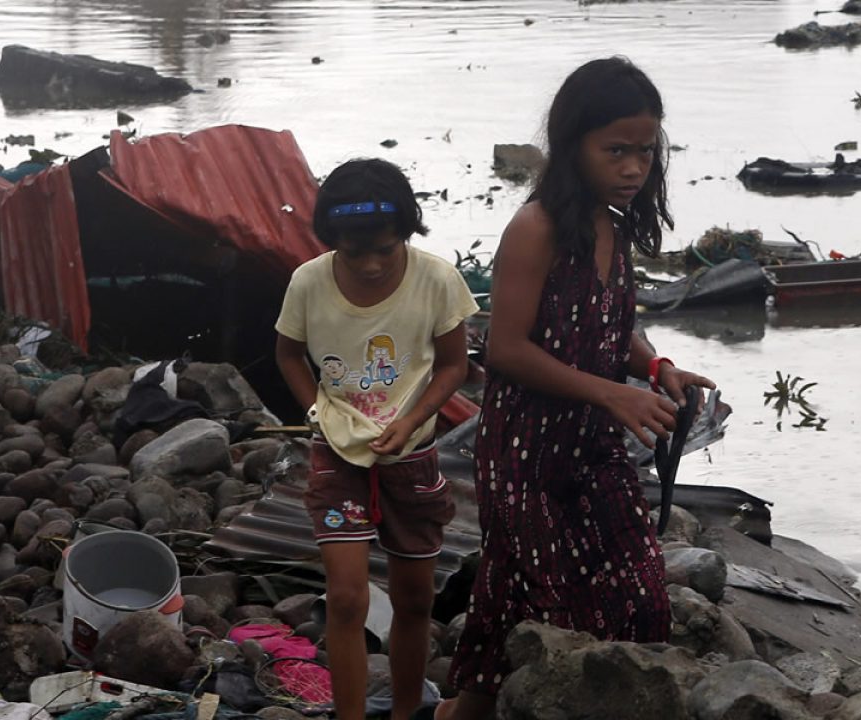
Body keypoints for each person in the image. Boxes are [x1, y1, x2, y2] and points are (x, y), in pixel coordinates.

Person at [437, 57, 716, 720]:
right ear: (572, 147)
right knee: (554, 617)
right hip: (525, 457)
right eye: (615, 150)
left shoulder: (613, 226)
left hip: (592, 449)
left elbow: (610, 324)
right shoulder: (536, 228)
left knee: (642, 601)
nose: (632, 167)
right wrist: (609, 393)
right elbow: (503, 349)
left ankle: (460, 712)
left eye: (645, 151)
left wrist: (653, 369)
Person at [275, 158, 479, 720]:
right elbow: (288, 355)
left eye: (385, 250)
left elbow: (455, 366)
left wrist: (411, 422)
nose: (369, 264)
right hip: (337, 457)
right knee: (345, 598)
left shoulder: (437, 280)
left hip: (412, 459)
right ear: (331, 240)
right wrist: (317, 408)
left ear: (407, 233)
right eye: (353, 251)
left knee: (415, 600)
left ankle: (407, 710)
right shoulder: (309, 282)